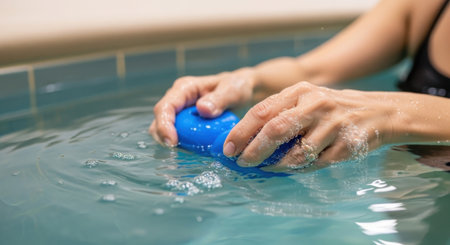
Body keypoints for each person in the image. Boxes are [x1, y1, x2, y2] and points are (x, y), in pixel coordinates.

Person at [149, 0, 450, 172]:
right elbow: (313, 69)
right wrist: (246, 82)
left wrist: (389, 115)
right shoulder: (426, 6)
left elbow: (384, 113)